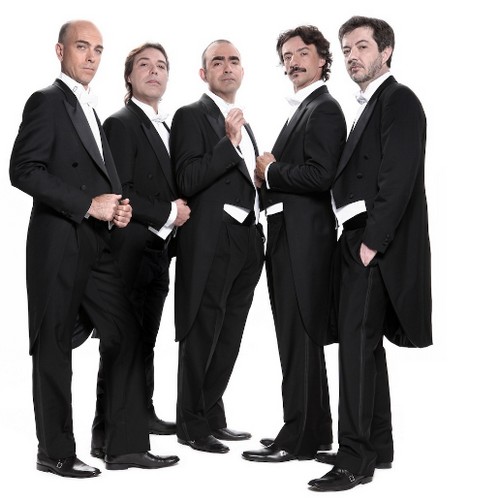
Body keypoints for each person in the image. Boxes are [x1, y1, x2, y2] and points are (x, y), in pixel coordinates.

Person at [9, 20, 179, 478]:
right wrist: (88, 204)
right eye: (82, 47)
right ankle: (55, 453)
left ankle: (123, 448)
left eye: (98, 50)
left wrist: (118, 207)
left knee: (125, 333)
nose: (90, 57)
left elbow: (100, 176)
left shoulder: (90, 107)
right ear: (60, 50)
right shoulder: (47, 100)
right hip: (58, 242)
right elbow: (23, 169)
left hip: (97, 242)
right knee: (53, 347)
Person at [308, 16, 432, 492]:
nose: (352, 56)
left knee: (356, 352)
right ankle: (377, 447)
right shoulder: (370, 104)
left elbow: (398, 178)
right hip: (358, 238)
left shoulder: (400, 100)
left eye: (362, 46)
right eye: (346, 49)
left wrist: (370, 243)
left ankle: (353, 460)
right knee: (366, 349)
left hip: (373, 242)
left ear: (386, 50)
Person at [242, 25, 346, 462]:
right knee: (298, 337)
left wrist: (272, 171)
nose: (293, 62)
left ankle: (298, 438)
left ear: (323, 59)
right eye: (286, 56)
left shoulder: (323, 109)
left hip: (304, 243)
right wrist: (265, 179)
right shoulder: (305, 109)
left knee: (299, 336)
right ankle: (315, 431)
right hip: (291, 237)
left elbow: (322, 176)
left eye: (302, 53)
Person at [90, 42, 191, 458]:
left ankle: (134, 419)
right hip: (128, 250)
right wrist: (170, 211)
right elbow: (121, 190)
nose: (154, 71)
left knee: (142, 341)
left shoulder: (165, 127)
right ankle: (119, 442)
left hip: (156, 250)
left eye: (161, 66)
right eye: (144, 65)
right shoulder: (121, 122)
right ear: (129, 77)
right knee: (123, 343)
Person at [169, 39, 264, 454]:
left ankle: (211, 414)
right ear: (203, 73)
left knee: (230, 333)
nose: (227, 67)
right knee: (203, 328)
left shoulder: (244, 122)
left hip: (248, 239)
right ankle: (190, 425)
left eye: (234, 60)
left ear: (242, 70)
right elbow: (187, 179)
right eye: (217, 61)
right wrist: (229, 142)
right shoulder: (191, 115)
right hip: (211, 238)